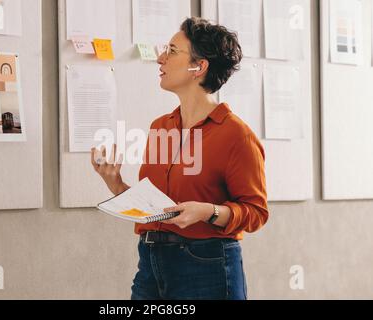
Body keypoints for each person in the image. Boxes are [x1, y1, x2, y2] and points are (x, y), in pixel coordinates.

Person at [91, 17, 269, 300]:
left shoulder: (237, 135)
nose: (160, 58)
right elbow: (155, 207)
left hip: (206, 266)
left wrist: (208, 211)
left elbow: (256, 213)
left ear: (199, 66)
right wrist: (116, 185)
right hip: (150, 262)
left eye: (172, 51)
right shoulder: (160, 127)